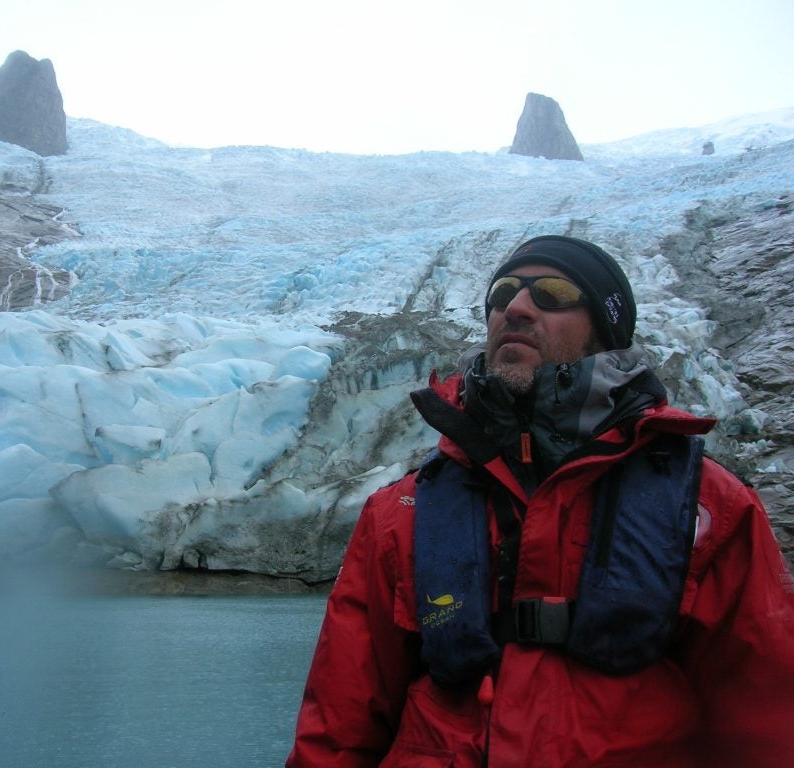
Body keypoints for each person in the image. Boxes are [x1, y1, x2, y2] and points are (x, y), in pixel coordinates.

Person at [287, 234, 794, 767]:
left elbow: (767, 718)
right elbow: (339, 727)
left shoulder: (710, 506)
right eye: (503, 294)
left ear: (604, 328)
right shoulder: (402, 511)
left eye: (551, 293)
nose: (518, 307)